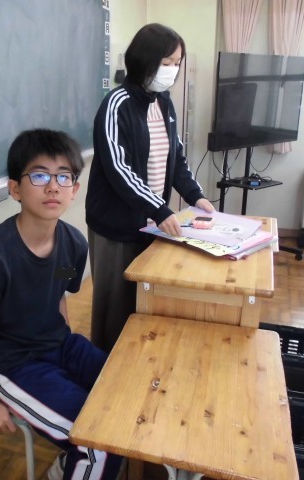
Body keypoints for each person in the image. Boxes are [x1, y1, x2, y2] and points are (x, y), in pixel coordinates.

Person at [0, 129, 123, 480]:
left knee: (129, 395)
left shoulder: (74, 245)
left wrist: (66, 350)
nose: (53, 187)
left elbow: (58, 288)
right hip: (11, 365)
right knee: (97, 441)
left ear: (75, 189)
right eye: (40, 175)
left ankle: (66, 468)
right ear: (15, 189)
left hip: (59, 346)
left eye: (64, 176)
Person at [85, 23, 215, 353]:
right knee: (114, 310)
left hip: (152, 224)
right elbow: (119, 169)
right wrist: (159, 209)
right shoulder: (116, 104)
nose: (173, 69)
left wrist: (196, 196)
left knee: (145, 302)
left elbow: (176, 157)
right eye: (167, 62)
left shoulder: (164, 103)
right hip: (116, 226)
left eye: (177, 63)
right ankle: (106, 369)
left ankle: (137, 364)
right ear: (145, 59)